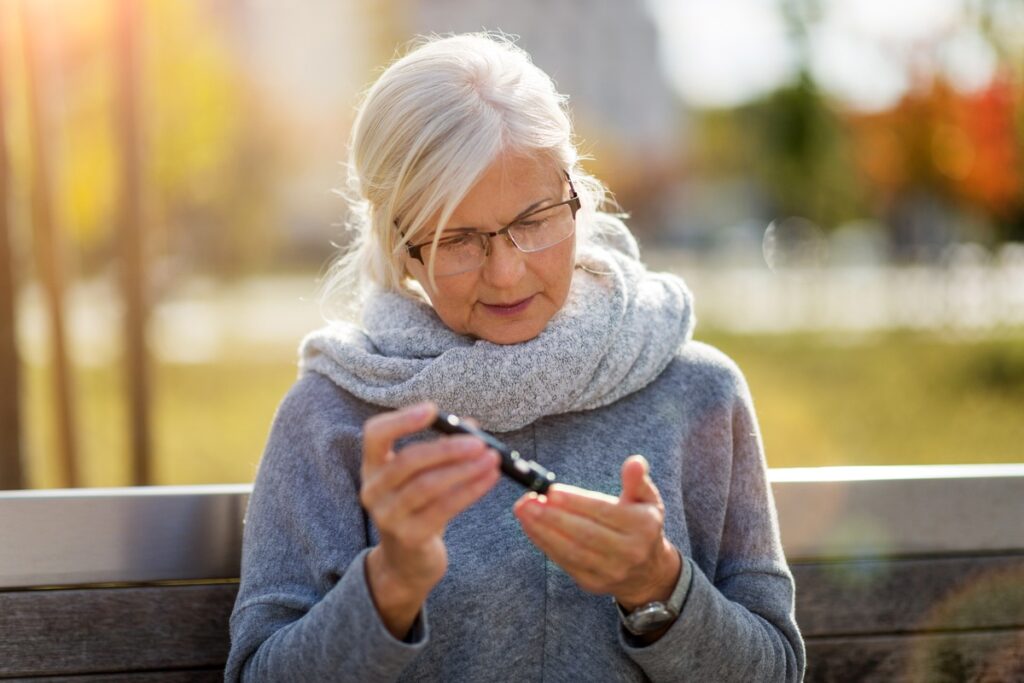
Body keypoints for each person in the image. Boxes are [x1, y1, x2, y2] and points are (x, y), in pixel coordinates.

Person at [225, 32, 805, 682]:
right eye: (457, 239)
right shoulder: (331, 417)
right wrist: (388, 586)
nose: (506, 274)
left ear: (577, 197)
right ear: (398, 248)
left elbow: (776, 671)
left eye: (533, 221)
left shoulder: (700, 393)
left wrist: (659, 586)